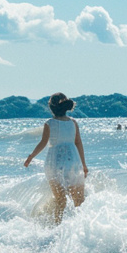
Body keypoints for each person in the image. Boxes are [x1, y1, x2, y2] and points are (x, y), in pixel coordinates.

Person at [24, 93, 88, 223]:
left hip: (55, 163)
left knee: (60, 199)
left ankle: (57, 225)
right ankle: (79, 226)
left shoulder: (49, 123)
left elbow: (43, 143)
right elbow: (78, 143)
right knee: (78, 199)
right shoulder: (73, 123)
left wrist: (31, 157)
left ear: (51, 107)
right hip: (73, 162)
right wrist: (84, 165)